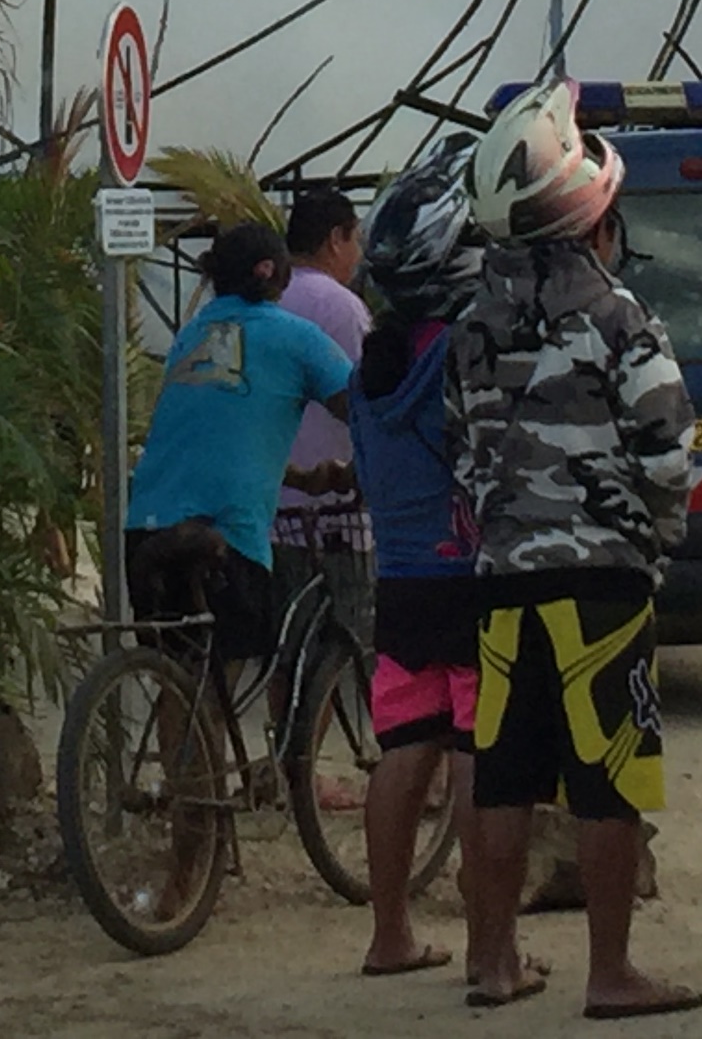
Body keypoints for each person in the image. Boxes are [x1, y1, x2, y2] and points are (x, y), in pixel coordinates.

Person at [451, 79, 701, 1019]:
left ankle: (493, 960)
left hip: (502, 580)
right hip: (603, 583)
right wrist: (657, 539)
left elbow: (460, 451)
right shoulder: (619, 318)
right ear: (593, 219)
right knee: (609, 776)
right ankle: (610, 973)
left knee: (504, 773)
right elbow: (670, 454)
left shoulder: (470, 331)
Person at [349, 136, 494, 984]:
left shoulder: (373, 366)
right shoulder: (460, 353)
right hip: (469, 577)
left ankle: (389, 934)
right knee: (481, 754)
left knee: (403, 752)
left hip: (400, 582)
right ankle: (487, 944)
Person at [123, 219, 355, 661]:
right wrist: (361, 473)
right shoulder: (297, 336)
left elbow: (211, 438)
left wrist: (302, 479)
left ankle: (179, 729)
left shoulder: (191, 337)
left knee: (179, 676)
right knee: (221, 679)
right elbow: (363, 413)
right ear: (272, 271)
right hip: (223, 531)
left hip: (148, 526)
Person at [275, 185, 374, 625]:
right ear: (336, 238)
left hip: (271, 512)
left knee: (286, 655)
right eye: (355, 240)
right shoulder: (341, 307)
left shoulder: (266, 300)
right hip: (331, 516)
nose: (357, 255)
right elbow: (367, 404)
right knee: (339, 645)